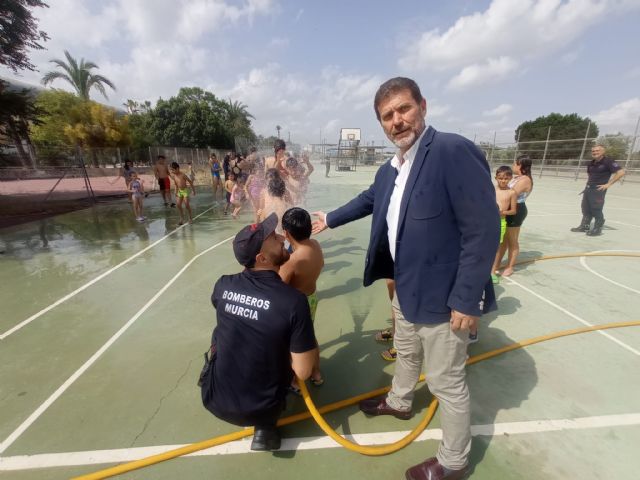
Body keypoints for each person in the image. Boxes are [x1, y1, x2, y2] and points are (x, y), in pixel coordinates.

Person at [312, 77, 499, 480]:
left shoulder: (450, 151)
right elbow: (369, 198)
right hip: (406, 284)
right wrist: (329, 218)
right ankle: (399, 401)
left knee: (447, 383)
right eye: (387, 116)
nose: (397, 121)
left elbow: (483, 229)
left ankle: (454, 462)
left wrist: (467, 298)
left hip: (443, 295)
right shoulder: (392, 167)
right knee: (407, 349)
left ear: (423, 106)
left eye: (403, 109)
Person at [200, 213, 319, 451]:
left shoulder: (223, 285)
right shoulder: (293, 301)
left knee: (224, 329)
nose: (281, 238)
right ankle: (265, 427)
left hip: (213, 397)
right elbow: (304, 372)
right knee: (284, 345)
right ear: (262, 257)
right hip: (263, 409)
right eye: (273, 237)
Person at [279, 207, 325, 386]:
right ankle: (316, 372)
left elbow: (279, 288)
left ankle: (296, 381)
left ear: (286, 233)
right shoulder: (315, 245)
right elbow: (321, 264)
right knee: (310, 336)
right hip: (312, 297)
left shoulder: (292, 260)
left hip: (297, 307)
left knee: (295, 344)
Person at [570, 144, 625, 236]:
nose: (595, 152)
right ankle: (584, 226)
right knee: (585, 208)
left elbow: (621, 172)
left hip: (598, 190)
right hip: (588, 189)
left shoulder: (608, 162)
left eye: (597, 151)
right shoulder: (591, 163)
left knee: (596, 209)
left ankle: (597, 229)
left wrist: (608, 184)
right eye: (593, 151)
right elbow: (590, 174)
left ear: (603, 151)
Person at [494, 155, 533, 277]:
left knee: (512, 241)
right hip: (505, 210)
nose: (513, 166)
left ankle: (510, 266)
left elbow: (510, 193)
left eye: (515, 164)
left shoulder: (525, 179)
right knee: (503, 241)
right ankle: (496, 265)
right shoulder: (516, 178)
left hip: (516, 210)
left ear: (520, 165)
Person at [489, 166, 518, 285]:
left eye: (506, 178)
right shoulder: (491, 189)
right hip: (488, 221)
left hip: (500, 222)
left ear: (511, 178)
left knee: (496, 248)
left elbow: (513, 211)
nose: (503, 180)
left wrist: (502, 212)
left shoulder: (512, 192)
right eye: (500, 178)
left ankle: (492, 272)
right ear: (496, 178)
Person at [259, 168, 292, 234]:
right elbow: (261, 207)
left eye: (271, 177)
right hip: (268, 215)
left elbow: (291, 204)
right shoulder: (264, 191)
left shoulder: (285, 191)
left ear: (277, 178)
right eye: (267, 178)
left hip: (280, 216)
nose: (269, 180)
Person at [245, 158, 266, 223]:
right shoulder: (251, 176)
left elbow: (265, 186)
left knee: (261, 211)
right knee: (256, 211)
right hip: (253, 196)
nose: (259, 171)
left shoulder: (263, 177)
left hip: (261, 197)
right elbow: (246, 186)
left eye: (260, 170)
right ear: (255, 170)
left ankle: (259, 225)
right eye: (258, 170)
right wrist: (247, 194)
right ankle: (256, 226)